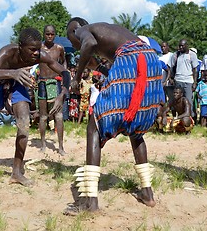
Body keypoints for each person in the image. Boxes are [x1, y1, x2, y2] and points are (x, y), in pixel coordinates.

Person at [65, 17, 164, 214]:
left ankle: (89, 202)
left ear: (74, 32)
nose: (76, 47)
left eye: (73, 42)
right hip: (150, 60)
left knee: (94, 126)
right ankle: (148, 193)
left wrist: (77, 77)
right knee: (135, 127)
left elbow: (89, 43)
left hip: (133, 59)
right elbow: (124, 69)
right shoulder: (111, 32)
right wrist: (98, 68)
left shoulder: (83, 30)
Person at [0, 27, 70, 185]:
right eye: (32, 49)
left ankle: (16, 172)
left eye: (38, 49)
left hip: (18, 81)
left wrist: (62, 93)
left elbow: (65, 72)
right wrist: (13, 73)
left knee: (24, 124)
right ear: (20, 46)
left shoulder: (41, 55)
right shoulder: (7, 52)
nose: (36, 53)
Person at [37, 25, 67, 155]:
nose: (49, 36)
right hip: (42, 83)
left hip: (55, 83)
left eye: (52, 34)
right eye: (47, 34)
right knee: (43, 116)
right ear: (44, 34)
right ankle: (43, 143)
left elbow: (64, 62)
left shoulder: (59, 48)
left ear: (55, 34)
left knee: (58, 116)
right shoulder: (38, 48)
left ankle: (60, 147)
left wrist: (64, 74)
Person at [169, 39, 199, 117]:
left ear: (187, 45)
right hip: (178, 80)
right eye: (180, 46)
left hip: (188, 81)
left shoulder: (192, 55)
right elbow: (171, 67)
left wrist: (195, 82)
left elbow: (195, 69)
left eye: (182, 45)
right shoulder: (175, 55)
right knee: (177, 101)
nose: (181, 47)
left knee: (189, 101)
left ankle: (191, 118)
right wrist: (171, 78)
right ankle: (178, 118)